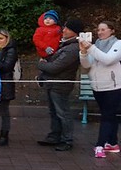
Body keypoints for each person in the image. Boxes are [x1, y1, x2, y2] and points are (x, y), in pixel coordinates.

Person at [36, 19, 81, 151]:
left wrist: (41, 64)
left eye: (67, 28)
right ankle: (55, 135)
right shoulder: (65, 45)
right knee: (54, 111)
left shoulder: (72, 48)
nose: (64, 30)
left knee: (63, 112)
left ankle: (67, 139)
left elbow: (55, 67)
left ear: (74, 32)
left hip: (60, 84)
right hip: (53, 83)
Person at [78, 20, 121, 158]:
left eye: (103, 29)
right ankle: (112, 143)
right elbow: (86, 65)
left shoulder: (118, 44)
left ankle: (100, 145)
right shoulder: (95, 45)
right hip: (98, 86)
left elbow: (108, 59)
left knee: (107, 116)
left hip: (113, 87)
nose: (100, 32)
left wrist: (90, 48)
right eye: (98, 30)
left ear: (112, 30)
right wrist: (83, 53)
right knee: (110, 114)